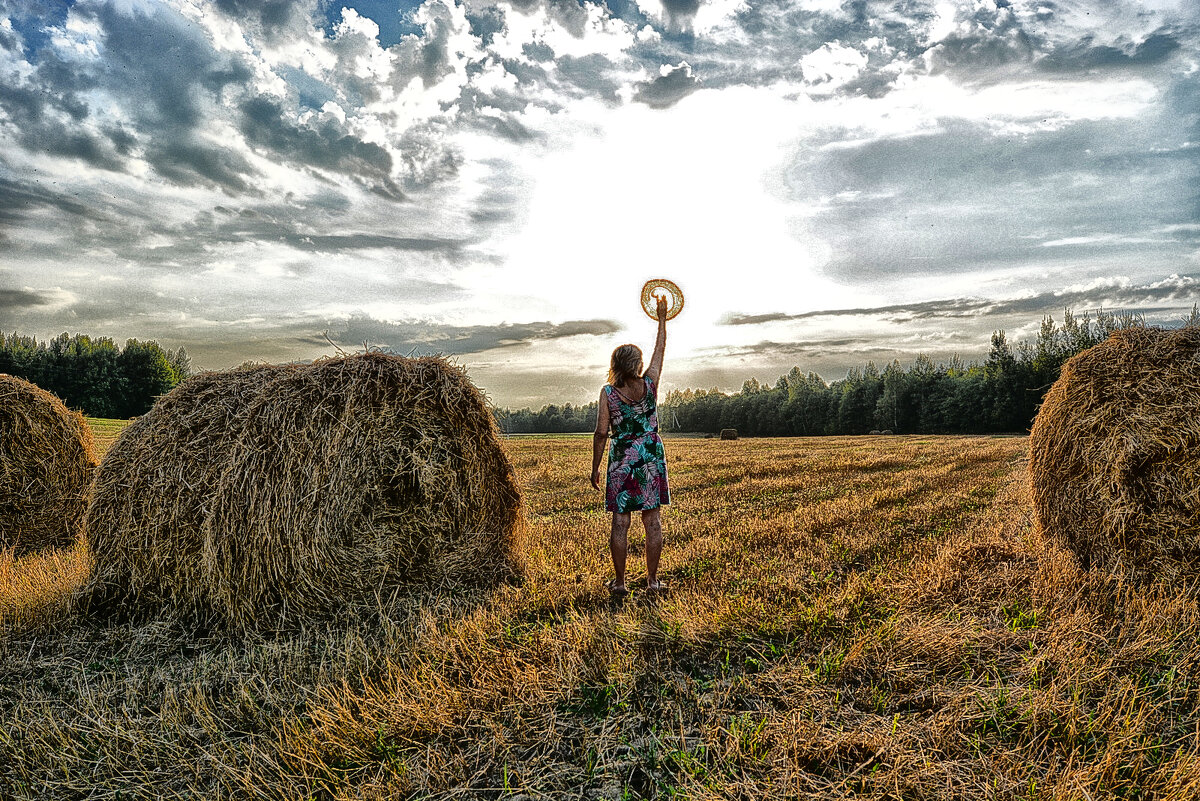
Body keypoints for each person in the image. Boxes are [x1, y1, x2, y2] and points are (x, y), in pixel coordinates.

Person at [591, 294, 670, 595]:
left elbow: (601, 433)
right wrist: (661, 321)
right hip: (650, 454)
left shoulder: (608, 393)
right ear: (636, 365)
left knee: (620, 523)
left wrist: (596, 468)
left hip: (622, 457)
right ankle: (652, 582)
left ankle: (621, 583)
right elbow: (660, 350)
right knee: (652, 521)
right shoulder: (650, 383)